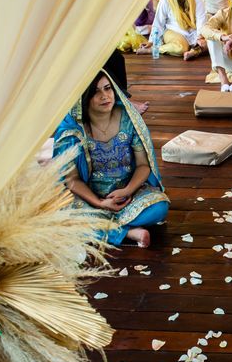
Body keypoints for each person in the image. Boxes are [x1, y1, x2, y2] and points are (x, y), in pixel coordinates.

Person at [53, 71, 169, 248]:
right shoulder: (73, 129)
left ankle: (100, 230)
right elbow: (72, 179)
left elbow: (143, 165)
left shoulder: (129, 120)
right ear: (83, 97)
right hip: (89, 199)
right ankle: (128, 233)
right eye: (96, 92)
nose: (105, 96)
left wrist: (127, 190)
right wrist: (100, 203)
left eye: (108, 88)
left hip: (128, 195)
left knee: (160, 207)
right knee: (63, 214)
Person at [136, 0, 206, 60]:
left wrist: (200, 37)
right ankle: (153, 50)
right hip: (174, 31)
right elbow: (158, 23)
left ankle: (192, 52)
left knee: (210, 40)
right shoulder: (165, 0)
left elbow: (201, 18)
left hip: (193, 31)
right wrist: (152, 42)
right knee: (181, 48)